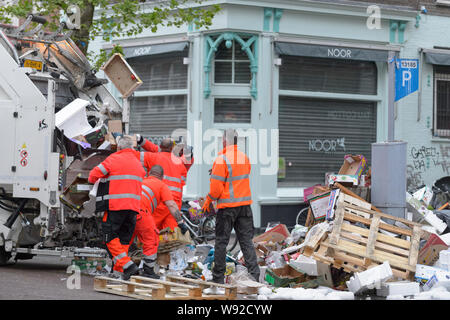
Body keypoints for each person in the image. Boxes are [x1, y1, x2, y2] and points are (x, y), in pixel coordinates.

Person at [202, 129, 260, 284]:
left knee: (221, 242)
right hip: (245, 206)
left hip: (227, 207)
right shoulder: (244, 158)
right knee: (246, 241)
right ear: (236, 141)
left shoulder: (221, 159)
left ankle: (218, 278)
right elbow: (239, 176)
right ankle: (254, 276)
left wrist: (208, 200)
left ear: (224, 141)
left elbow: (216, 189)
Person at [88, 135, 145, 280]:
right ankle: (122, 270)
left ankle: (127, 265)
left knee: (109, 237)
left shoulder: (113, 159)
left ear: (119, 148)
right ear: (131, 148)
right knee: (124, 240)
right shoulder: (138, 163)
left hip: (116, 206)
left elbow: (92, 176)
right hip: (133, 208)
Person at [126, 165, 185, 279]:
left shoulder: (142, 182)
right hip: (140, 211)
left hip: (127, 210)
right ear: (162, 176)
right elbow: (172, 205)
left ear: (149, 174)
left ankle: (122, 267)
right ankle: (148, 270)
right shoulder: (161, 185)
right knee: (151, 239)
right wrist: (181, 222)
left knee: (126, 240)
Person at [140, 138, 190, 232]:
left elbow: (132, 155)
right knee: (170, 235)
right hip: (174, 204)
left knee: (150, 231)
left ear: (160, 146)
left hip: (158, 202)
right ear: (172, 148)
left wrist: (139, 141)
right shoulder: (180, 163)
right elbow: (182, 182)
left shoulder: (152, 157)